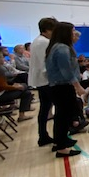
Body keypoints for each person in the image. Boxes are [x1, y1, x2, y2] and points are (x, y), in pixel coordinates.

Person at [45, 21, 86, 157]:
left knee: (62, 116)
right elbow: (66, 71)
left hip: (59, 86)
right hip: (62, 86)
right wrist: (78, 86)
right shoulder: (62, 48)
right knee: (62, 117)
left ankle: (61, 140)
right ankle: (61, 148)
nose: (74, 34)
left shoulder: (57, 47)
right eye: (72, 31)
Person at [29, 17, 58, 147]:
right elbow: (44, 64)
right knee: (57, 108)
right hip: (46, 80)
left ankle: (43, 135)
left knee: (45, 108)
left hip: (42, 80)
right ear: (46, 30)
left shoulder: (37, 41)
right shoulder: (43, 42)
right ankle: (58, 138)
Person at [0, 52, 34, 122]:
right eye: (2, 58)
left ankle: (21, 110)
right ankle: (22, 115)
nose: (4, 59)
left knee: (24, 89)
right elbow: (3, 86)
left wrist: (13, 86)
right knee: (26, 91)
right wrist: (16, 87)